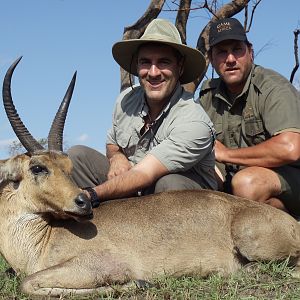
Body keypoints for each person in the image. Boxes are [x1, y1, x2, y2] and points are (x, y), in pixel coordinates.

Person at [68, 18, 217, 206]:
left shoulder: (195, 122)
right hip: (135, 188)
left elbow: (146, 173)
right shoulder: (125, 100)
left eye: (163, 62)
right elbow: (112, 144)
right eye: (145, 62)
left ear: (179, 67)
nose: (153, 72)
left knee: (170, 184)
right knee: (76, 156)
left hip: (179, 199)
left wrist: (91, 195)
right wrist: (117, 158)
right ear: (137, 67)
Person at [198, 17, 300, 217]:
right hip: (238, 185)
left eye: (237, 49)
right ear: (211, 58)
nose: (230, 59)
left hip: (291, 178)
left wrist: (226, 154)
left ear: (250, 52)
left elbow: (291, 148)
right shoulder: (207, 96)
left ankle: (293, 234)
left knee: (246, 184)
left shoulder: (272, 87)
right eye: (221, 52)